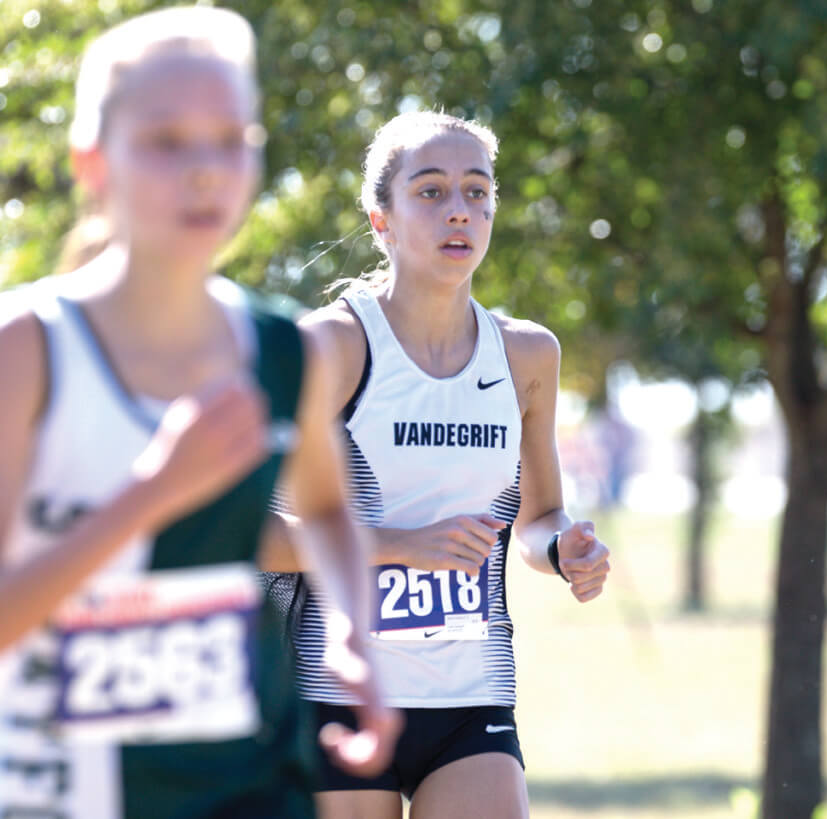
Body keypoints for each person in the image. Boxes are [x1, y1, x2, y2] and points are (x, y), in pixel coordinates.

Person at [0, 7, 397, 818]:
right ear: (91, 162)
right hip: (63, 788)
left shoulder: (286, 350)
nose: (207, 171)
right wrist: (153, 493)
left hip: (247, 781)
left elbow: (326, 507)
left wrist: (354, 631)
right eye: (166, 142)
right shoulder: (29, 347)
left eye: (231, 140)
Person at [282, 110, 612, 818]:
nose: (459, 210)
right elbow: (259, 533)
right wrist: (402, 545)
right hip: (339, 692)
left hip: (470, 697)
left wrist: (562, 547)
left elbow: (536, 517)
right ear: (381, 219)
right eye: (430, 192)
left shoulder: (527, 355)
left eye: (477, 192)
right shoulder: (332, 347)